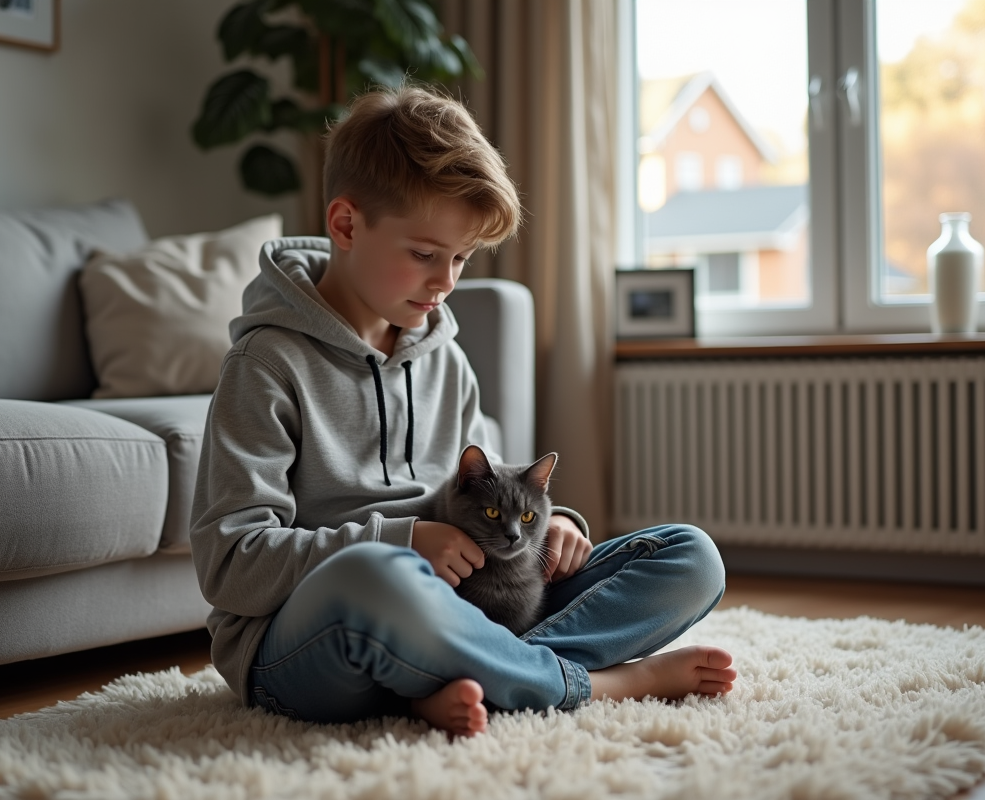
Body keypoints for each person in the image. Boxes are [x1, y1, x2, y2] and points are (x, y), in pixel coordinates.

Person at [190, 84, 737, 737]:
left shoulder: (444, 357)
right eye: (425, 254)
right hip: (311, 639)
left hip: (463, 606)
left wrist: (555, 525)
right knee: (375, 577)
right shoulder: (265, 364)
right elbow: (230, 564)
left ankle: (462, 677)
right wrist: (402, 541)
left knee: (688, 557)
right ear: (346, 225)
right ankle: (596, 684)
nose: (446, 282)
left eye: (461, 258)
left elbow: (486, 489)